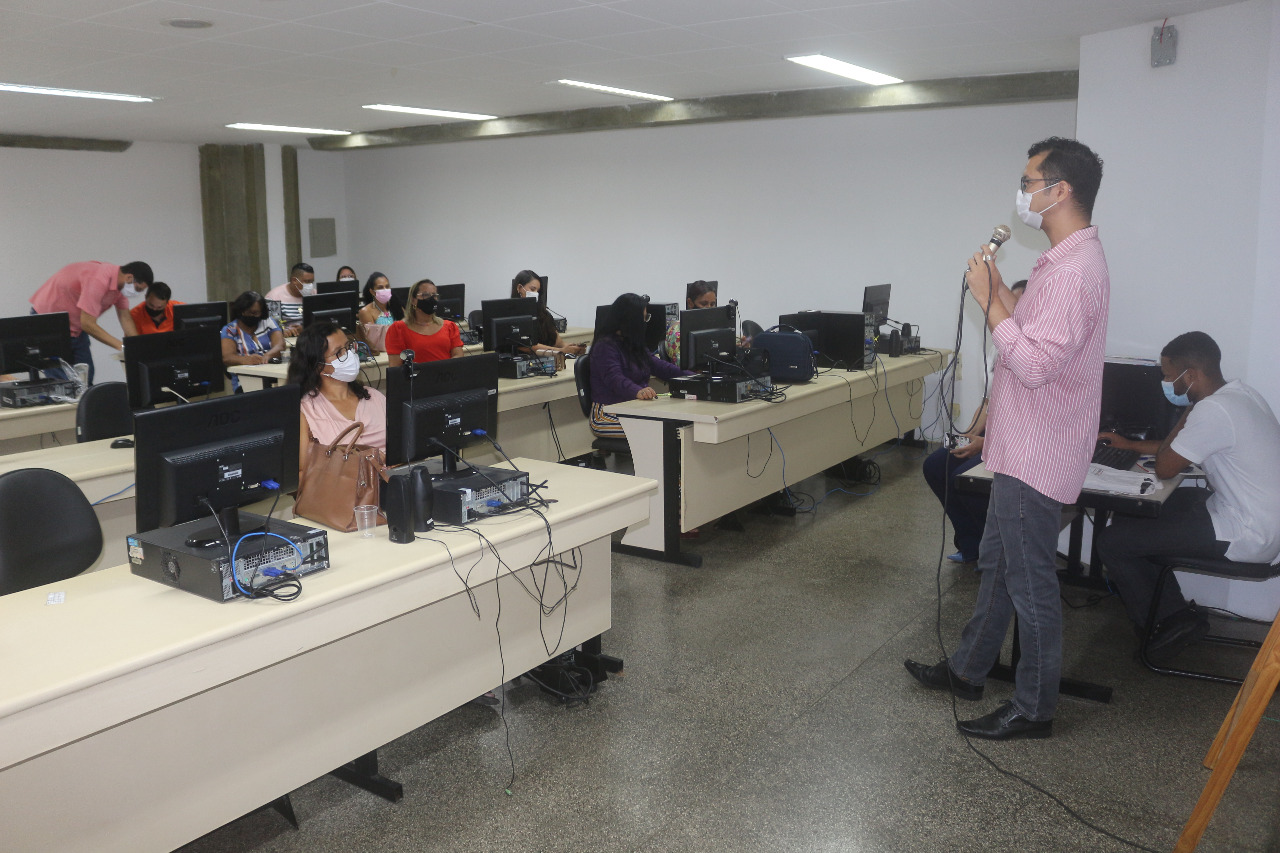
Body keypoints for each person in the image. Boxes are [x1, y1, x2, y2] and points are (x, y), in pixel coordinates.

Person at [905, 137, 1109, 742]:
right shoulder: (1060, 259)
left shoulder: (1074, 271)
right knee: (997, 563)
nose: (1021, 194)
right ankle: (969, 669)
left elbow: (1035, 363)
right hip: (1022, 444)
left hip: (1039, 451)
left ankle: (1034, 708)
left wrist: (986, 301)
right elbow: (1033, 328)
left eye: (1028, 183)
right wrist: (1000, 293)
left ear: (1059, 190)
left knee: (1029, 581)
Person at [1095, 332, 1280, 658]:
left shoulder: (1213, 410)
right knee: (1135, 511)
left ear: (1190, 374)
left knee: (1112, 542)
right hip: (1256, 519)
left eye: (1169, 375)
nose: (1167, 383)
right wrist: (1130, 445)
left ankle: (1168, 622)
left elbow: (1165, 467)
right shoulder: (1240, 395)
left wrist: (1187, 415)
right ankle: (1169, 610)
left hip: (1247, 532)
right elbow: (1180, 449)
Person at [922, 280, 1027, 564]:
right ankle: (971, 544)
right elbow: (988, 402)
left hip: (1013, 443)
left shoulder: (1032, 355)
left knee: (965, 479)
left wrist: (984, 443)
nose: (1011, 311)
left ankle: (994, 549)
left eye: (1018, 306)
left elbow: (1023, 418)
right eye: (1009, 303)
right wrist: (968, 435)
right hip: (990, 436)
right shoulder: (998, 347)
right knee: (936, 465)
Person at [28, 260, 152, 384]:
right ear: (129, 277)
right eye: (137, 289)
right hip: (49, 324)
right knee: (63, 382)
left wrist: (137, 347)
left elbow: (125, 317)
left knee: (86, 377)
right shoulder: (99, 279)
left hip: (75, 328)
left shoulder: (119, 286)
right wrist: (123, 347)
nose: (136, 293)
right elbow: (87, 324)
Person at [288, 320, 387, 473]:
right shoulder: (305, 411)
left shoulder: (375, 397)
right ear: (318, 365)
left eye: (348, 347)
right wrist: (364, 462)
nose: (348, 355)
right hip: (341, 485)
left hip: (391, 481)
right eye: (338, 353)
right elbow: (302, 472)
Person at [588, 293, 691, 437]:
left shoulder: (633, 344)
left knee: (677, 426)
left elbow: (661, 367)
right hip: (606, 414)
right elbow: (614, 378)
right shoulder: (604, 346)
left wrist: (694, 377)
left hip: (635, 408)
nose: (645, 322)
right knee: (662, 432)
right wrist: (637, 391)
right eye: (643, 318)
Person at [385, 279, 464, 366]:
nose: (431, 299)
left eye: (434, 295)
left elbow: (458, 356)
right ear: (413, 300)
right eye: (425, 295)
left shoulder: (450, 326)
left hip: (446, 374)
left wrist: (441, 369)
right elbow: (395, 367)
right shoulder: (398, 329)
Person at [220, 291, 285, 392]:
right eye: (247, 312)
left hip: (271, 376)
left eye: (255, 313)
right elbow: (227, 357)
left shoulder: (268, 322)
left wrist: (267, 356)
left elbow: (280, 346)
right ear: (241, 311)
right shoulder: (230, 330)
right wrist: (245, 360)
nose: (250, 315)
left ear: (261, 312)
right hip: (244, 381)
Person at [510, 270, 585, 356]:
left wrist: (573, 348)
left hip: (549, 360)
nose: (536, 293)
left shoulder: (544, 314)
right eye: (532, 289)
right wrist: (560, 351)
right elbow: (527, 346)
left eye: (538, 291)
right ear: (519, 288)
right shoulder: (511, 316)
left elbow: (559, 343)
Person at [662, 280, 718, 364]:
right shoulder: (677, 332)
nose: (709, 308)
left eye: (712, 304)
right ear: (690, 303)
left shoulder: (713, 326)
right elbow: (682, 365)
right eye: (704, 304)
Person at [264, 262, 315, 336]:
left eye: (312, 282)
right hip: (286, 339)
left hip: (309, 336)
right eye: (307, 282)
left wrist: (305, 328)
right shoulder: (273, 297)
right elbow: (269, 326)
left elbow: (322, 321)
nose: (310, 285)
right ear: (294, 280)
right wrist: (282, 331)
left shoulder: (314, 294)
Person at [357, 271, 403, 353]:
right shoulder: (366, 312)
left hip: (400, 350)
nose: (385, 290)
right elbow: (372, 343)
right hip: (381, 354)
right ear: (372, 291)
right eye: (380, 287)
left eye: (387, 286)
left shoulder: (397, 307)